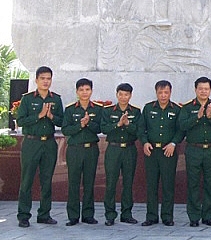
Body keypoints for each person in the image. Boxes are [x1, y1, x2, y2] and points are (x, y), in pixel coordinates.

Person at [16, 66, 64, 228]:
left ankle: (44, 214)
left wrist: (51, 116)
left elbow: (62, 122)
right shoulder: (28, 99)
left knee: (47, 179)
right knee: (27, 179)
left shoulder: (56, 99)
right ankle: (23, 215)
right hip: (31, 142)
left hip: (49, 143)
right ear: (36, 80)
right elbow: (21, 121)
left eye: (48, 78)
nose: (45, 81)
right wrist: (39, 116)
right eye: (42, 78)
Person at [179, 76, 211, 227]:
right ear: (195, 90)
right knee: (193, 183)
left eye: (206, 89)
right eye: (201, 89)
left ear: (210, 90)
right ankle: (193, 217)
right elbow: (182, 125)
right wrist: (197, 117)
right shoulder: (187, 108)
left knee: (209, 183)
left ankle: (208, 216)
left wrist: (210, 116)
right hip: (194, 149)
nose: (203, 91)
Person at [139, 80, 183, 227]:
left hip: (168, 152)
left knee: (168, 185)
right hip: (151, 152)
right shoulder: (148, 108)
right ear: (156, 92)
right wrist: (144, 142)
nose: (163, 95)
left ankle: (167, 216)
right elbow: (141, 128)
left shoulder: (176, 109)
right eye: (160, 92)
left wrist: (173, 143)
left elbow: (180, 130)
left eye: (166, 92)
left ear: (170, 92)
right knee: (151, 185)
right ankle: (151, 216)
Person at [62, 77, 102, 226]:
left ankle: (88, 214)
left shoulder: (97, 109)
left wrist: (89, 123)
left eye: (87, 89)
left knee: (89, 182)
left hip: (91, 149)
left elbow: (100, 128)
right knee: (73, 182)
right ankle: (73, 215)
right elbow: (66, 130)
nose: (85, 93)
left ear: (91, 91)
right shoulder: (71, 109)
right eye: (81, 90)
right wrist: (80, 125)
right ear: (77, 91)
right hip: (74, 150)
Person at [101, 82, 141, 226]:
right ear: (117, 94)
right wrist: (118, 124)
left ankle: (127, 213)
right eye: (121, 94)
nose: (123, 97)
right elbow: (104, 128)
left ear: (130, 95)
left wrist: (128, 124)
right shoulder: (108, 111)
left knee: (128, 182)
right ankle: (110, 214)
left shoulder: (136, 112)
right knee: (111, 182)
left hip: (129, 149)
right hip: (113, 149)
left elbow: (138, 131)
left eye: (126, 94)